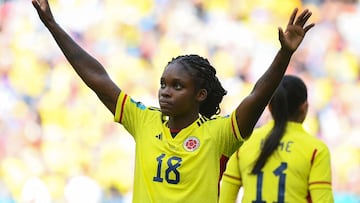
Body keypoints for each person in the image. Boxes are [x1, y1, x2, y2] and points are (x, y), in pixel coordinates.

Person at [32, 0, 315, 202]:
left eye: (177, 86)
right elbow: (97, 78)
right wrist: (52, 25)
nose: (165, 91)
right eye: (163, 84)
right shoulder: (143, 120)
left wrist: (284, 54)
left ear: (200, 95)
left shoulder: (218, 135)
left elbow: (258, 95)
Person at [219, 75, 334, 203]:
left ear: (270, 107)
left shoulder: (244, 142)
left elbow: (225, 199)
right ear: (304, 107)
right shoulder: (316, 150)